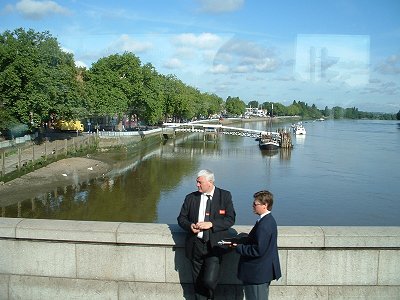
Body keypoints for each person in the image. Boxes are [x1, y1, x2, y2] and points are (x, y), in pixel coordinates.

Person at [177, 169, 236, 300]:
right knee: (197, 282)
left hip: (214, 246)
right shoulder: (191, 197)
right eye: (197, 182)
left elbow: (230, 219)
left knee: (209, 281)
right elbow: (181, 219)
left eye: (199, 182)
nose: (197, 185)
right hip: (196, 245)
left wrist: (212, 224)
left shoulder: (224, 196)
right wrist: (190, 226)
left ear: (209, 182)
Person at [232, 190, 281, 300]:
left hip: (257, 273)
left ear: (265, 205)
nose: (253, 206)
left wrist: (238, 247)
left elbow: (258, 250)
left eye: (255, 204)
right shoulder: (267, 220)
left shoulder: (264, 225)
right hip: (260, 272)